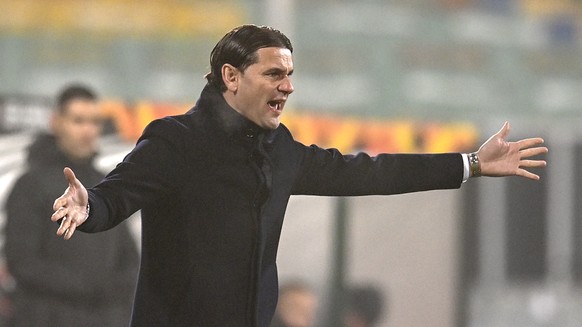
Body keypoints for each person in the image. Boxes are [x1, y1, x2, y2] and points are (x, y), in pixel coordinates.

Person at [50, 25, 548, 327]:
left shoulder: (280, 149)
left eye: (290, 75)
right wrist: (87, 206)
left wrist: (471, 164)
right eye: (273, 74)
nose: (288, 87)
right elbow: (117, 196)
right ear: (230, 76)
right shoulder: (175, 140)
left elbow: (368, 173)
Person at [4, 84, 139, 327]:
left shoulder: (107, 184)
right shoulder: (31, 185)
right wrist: (87, 287)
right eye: (78, 120)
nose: (88, 131)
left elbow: (130, 259)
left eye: (94, 122)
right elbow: (22, 261)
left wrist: (115, 299)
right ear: (56, 122)